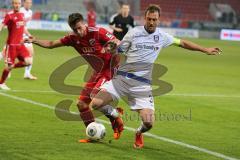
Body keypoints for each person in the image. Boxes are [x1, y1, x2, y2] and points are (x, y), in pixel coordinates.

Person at [89, 4, 222, 148]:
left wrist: (205, 50)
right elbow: (119, 48)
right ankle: (115, 116)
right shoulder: (134, 33)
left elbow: (182, 43)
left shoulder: (162, 37)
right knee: (95, 103)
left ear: (158, 20)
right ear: (144, 18)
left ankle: (139, 132)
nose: (151, 22)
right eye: (149, 19)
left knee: (148, 123)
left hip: (141, 84)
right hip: (122, 79)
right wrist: (109, 48)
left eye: (154, 19)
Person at [25, 13, 124, 142]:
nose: (78, 31)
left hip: (109, 69)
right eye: (75, 29)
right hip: (97, 71)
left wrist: (110, 47)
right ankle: (93, 133)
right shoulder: (72, 38)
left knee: (95, 98)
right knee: (81, 104)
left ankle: (116, 116)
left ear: (84, 23)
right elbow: (51, 44)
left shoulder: (98, 32)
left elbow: (117, 42)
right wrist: (35, 40)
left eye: (80, 27)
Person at [0, 0, 32, 90]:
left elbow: (23, 27)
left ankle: (11, 67)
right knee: (8, 66)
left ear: (20, 4)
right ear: (12, 4)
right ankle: (1, 83)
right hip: (12, 45)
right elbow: (2, 24)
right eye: (15, 3)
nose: (16, 5)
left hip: (20, 44)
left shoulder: (22, 15)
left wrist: (29, 35)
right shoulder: (9, 15)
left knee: (28, 62)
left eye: (18, 3)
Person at [20, 0, 37, 80]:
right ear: (23, 3)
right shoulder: (21, 11)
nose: (29, 4)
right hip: (18, 35)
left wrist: (28, 34)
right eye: (27, 2)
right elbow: (21, 26)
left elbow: (25, 26)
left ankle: (27, 73)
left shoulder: (30, 12)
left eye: (30, 3)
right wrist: (29, 35)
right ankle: (8, 70)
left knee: (31, 53)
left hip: (25, 36)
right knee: (5, 52)